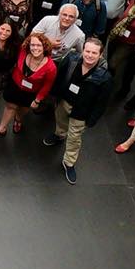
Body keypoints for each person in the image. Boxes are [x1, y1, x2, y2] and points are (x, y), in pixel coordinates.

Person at [43, 38, 111, 184]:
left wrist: (92, 120)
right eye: (87, 51)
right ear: (83, 50)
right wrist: (54, 96)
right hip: (64, 101)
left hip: (82, 112)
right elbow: (59, 77)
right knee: (60, 121)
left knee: (74, 137)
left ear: (100, 55)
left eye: (94, 53)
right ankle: (59, 134)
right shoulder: (71, 60)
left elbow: (102, 102)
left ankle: (69, 162)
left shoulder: (104, 77)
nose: (90, 55)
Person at [0, 32, 57, 136]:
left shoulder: (51, 67)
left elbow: (47, 86)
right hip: (14, 86)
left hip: (30, 93)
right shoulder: (23, 51)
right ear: (28, 45)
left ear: (45, 47)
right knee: (10, 106)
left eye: (39, 45)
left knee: (23, 109)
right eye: (33, 45)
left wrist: (37, 100)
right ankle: (1, 129)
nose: (35, 48)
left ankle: (18, 119)